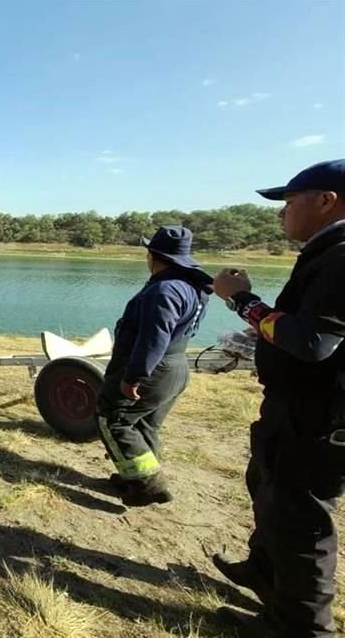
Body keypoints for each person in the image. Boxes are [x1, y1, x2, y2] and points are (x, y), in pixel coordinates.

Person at [211, 159, 345, 637]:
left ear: (326, 201)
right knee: (266, 487)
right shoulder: (326, 252)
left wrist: (243, 300)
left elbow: (312, 343)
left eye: (289, 203)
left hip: (316, 422)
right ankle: (266, 573)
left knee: (302, 524)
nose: (281, 215)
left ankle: (298, 629)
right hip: (294, 411)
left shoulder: (341, 256)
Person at [97, 226, 212, 506]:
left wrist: (134, 376)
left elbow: (153, 337)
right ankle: (134, 478)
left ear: (152, 255)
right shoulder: (190, 286)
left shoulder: (165, 289)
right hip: (175, 367)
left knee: (114, 419)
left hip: (154, 369)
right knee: (145, 425)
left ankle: (149, 486)